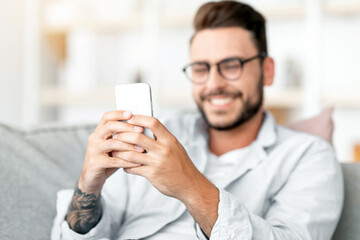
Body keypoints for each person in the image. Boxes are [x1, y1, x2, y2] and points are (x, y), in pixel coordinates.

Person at [52, 1, 343, 239]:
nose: (214, 84)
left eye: (232, 65)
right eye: (201, 68)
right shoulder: (153, 135)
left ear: (267, 70)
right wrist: (88, 187)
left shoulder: (308, 156)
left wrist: (188, 184)